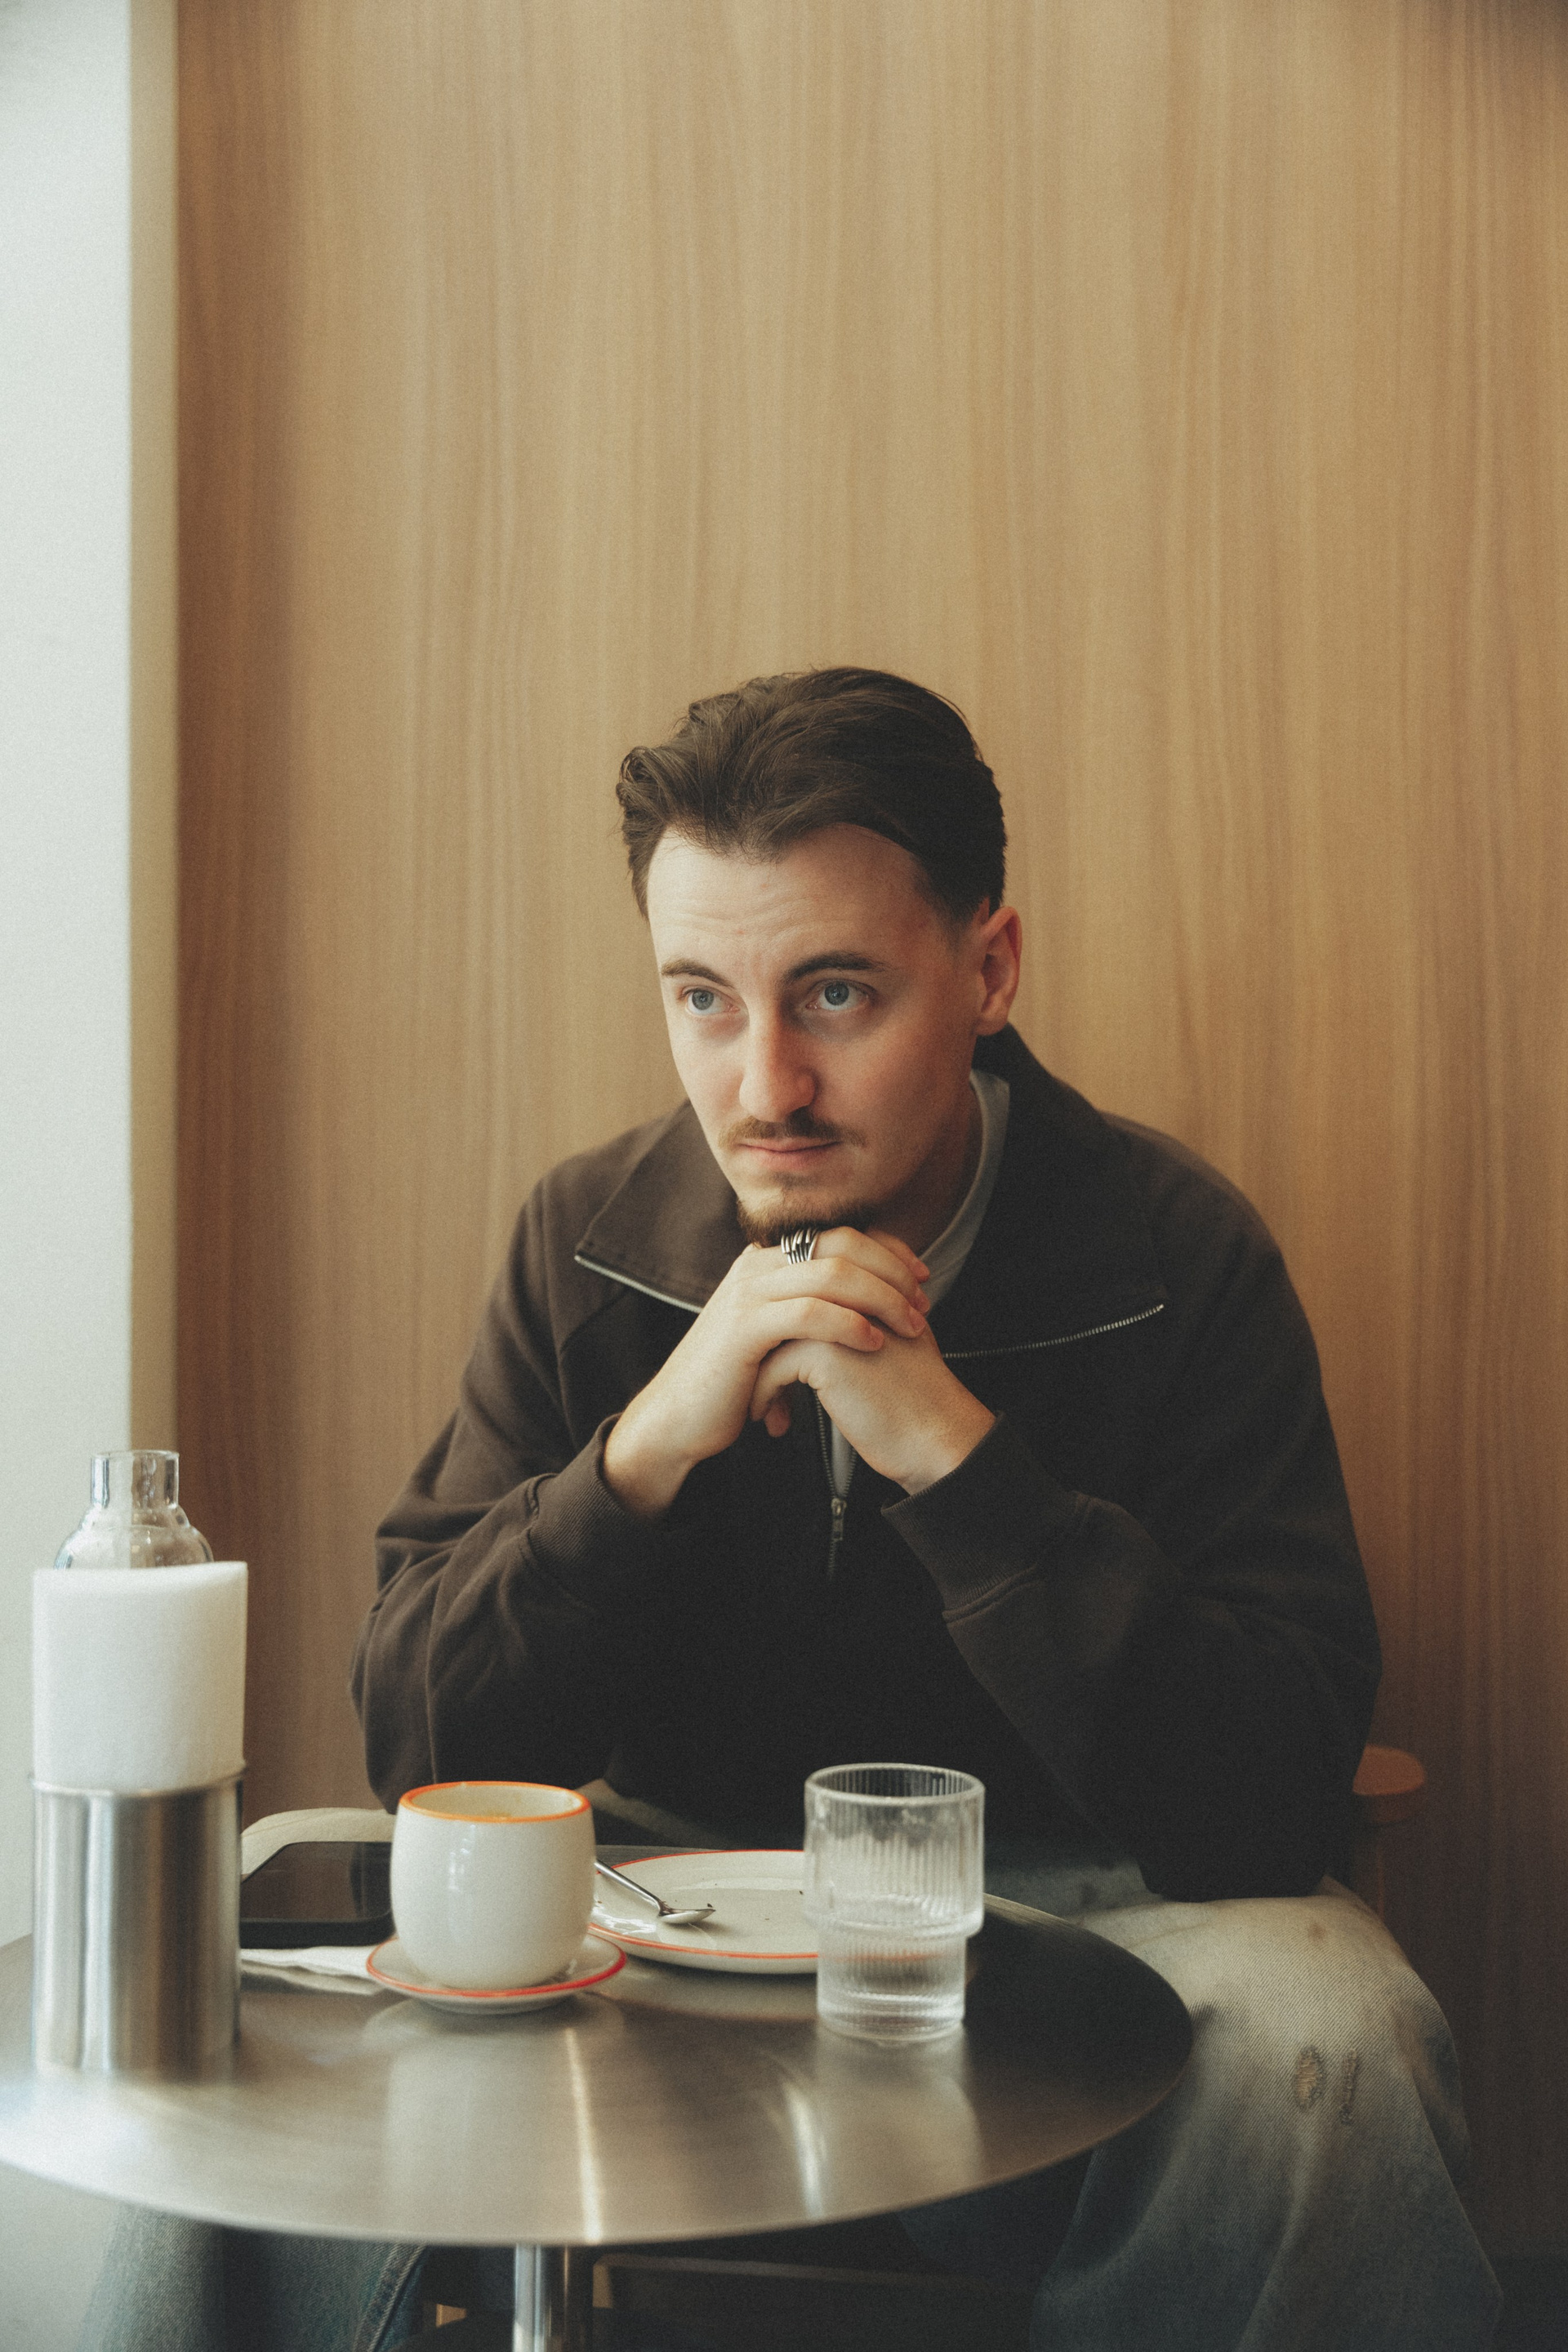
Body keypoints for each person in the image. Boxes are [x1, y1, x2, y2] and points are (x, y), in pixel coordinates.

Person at [84, 667, 1497, 2351]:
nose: (765, 1085)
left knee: (1329, 2026)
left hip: (1073, 1942)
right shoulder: (590, 1241)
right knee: (231, 1969)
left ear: (989, 970)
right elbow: (423, 1741)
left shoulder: (1176, 1254)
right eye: (702, 998)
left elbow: (1273, 1794)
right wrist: (641, 1455)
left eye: (835, 994)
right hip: (658, 1932)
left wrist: (959, 1465)